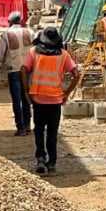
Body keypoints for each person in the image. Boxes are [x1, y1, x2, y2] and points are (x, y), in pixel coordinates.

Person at [20, 27, 78, 175]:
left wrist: (26, 91)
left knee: (39, 130)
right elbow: (76, 74)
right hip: (55, 100)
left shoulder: (34, 52)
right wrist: (66, 93)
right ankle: (51, 165)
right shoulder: (63, 55)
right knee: (52, 133)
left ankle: (40, 158)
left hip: (38, 98)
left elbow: (23, 69)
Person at [0, 10, 34, 136]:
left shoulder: (7, 35)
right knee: (26, 97)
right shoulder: (30, 32)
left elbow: (0, 53)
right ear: (20, 21)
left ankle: (20, 127)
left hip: (14, 70)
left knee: (16, 100)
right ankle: (27, 125)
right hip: (28, 69)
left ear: (9, 22)